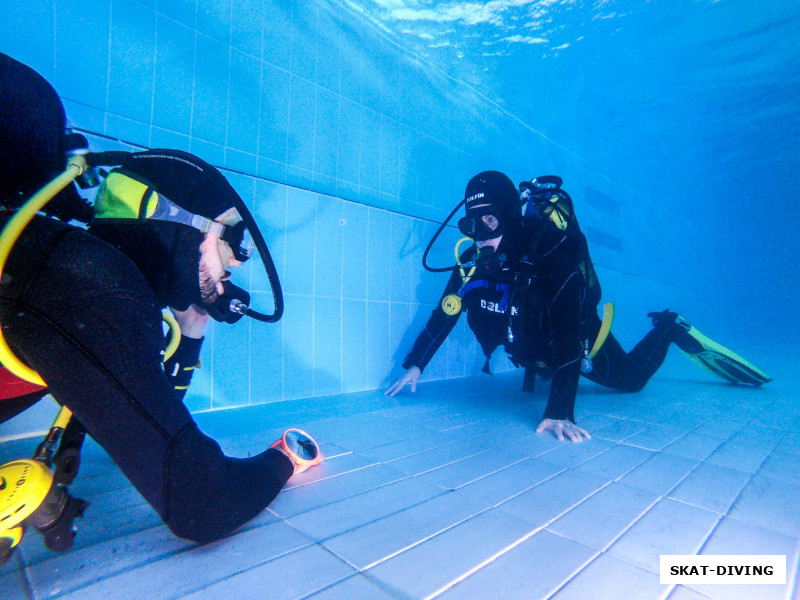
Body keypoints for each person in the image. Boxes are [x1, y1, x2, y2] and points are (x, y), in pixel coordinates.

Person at [0, 53, 320, 546]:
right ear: (177, 220)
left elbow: (137, 409)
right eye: (231, 240)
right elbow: (203, 504)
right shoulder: (91, 284)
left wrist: (190, 334)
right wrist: (285, 457)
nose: (236, 265)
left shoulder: (58, 263)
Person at [386, 171, 769, 442]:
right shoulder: (472, 263)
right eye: (472, 224)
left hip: (577, 338)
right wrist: (416, 364)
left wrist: (559, 411)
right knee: (544, 356)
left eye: (490, 220)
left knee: (632, 381)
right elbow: (445, 313)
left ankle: (668, 328)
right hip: (538, 350)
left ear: (509, 217)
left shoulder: (551, 257)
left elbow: (569, 334)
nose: (481, 236)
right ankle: (551, 368)